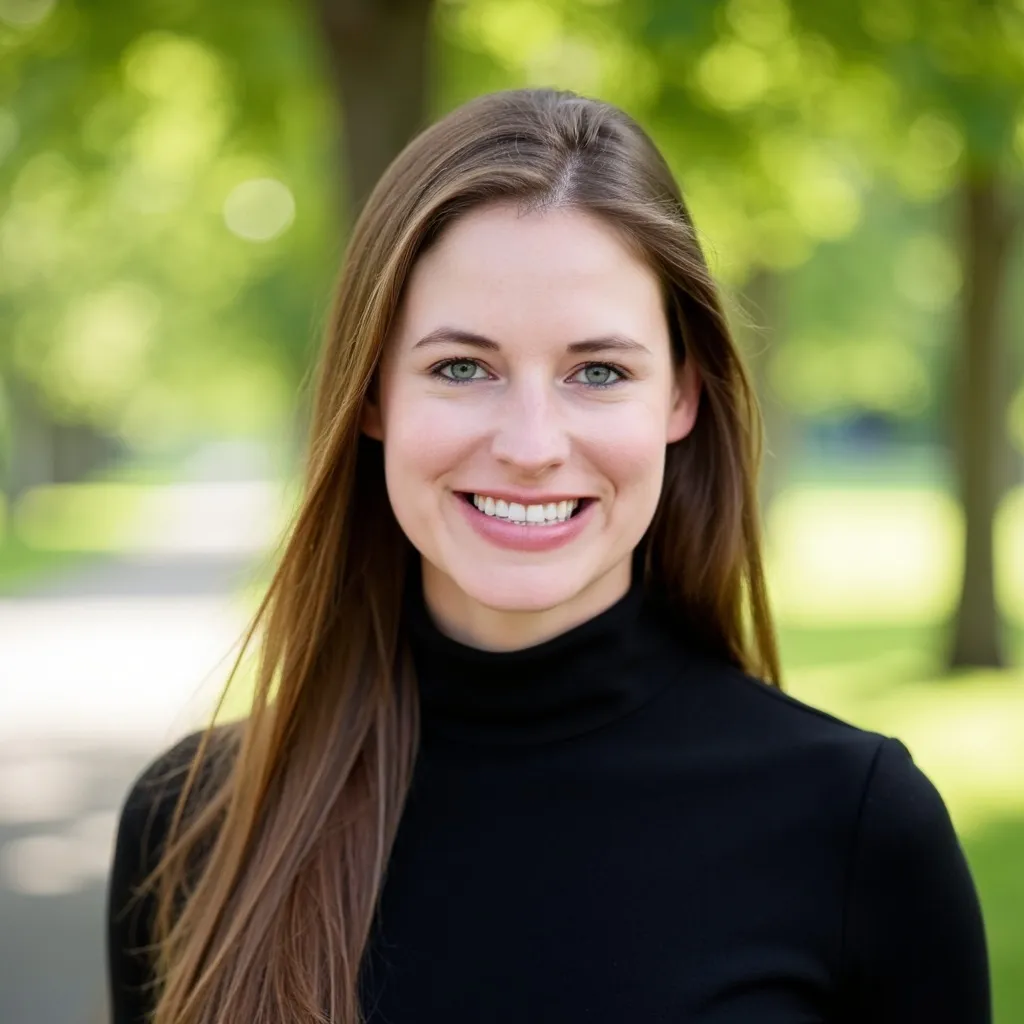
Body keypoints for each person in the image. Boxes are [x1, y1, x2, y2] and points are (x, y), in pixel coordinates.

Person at [105, 88, 991, 1024]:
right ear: (372, 396)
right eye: (461, 367)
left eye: (598, 372)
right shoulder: (194, 823)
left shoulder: (854, 828)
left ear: (680, 397)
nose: (531, 445)